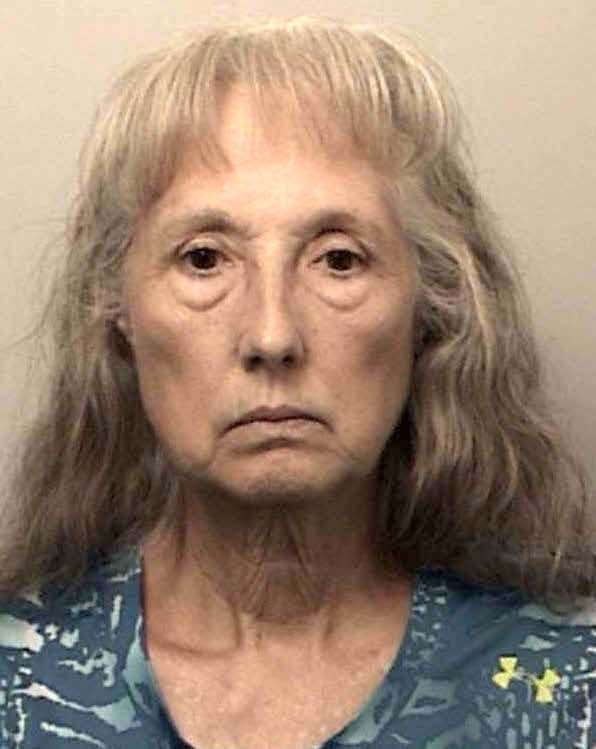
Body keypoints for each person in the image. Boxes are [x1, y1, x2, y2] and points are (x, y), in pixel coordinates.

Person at [0, 15, 594, 749]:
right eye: (204, 259)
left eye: (339, 259)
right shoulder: (18, 682)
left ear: (431, 306)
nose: (272, 336)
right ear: (116, 310)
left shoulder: (568, 690)